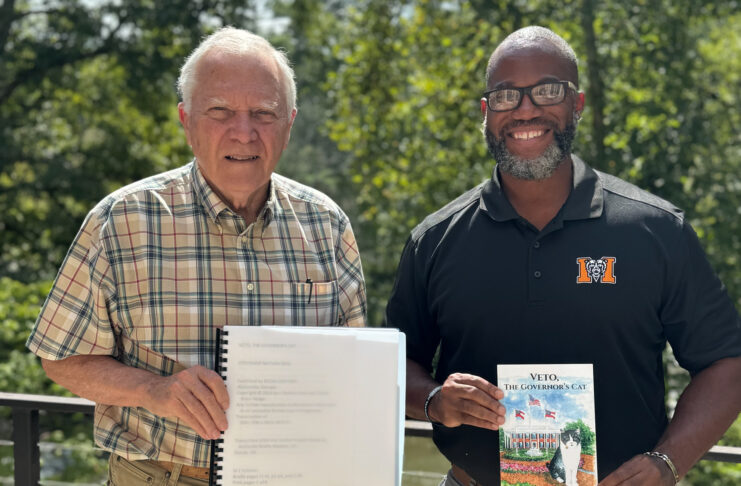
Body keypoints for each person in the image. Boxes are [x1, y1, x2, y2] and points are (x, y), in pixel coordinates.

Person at [385, 26, 741, 486]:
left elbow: (726, 362)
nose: (525, 109)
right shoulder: (435, 240)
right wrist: (434, 399)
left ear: (577, 103)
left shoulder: (655, 230)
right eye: (506, 95)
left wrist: (668, 462)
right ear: (486, 112)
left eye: (547, 91)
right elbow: (392, 365)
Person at [26, 27, 366, 485]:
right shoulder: (122, 219)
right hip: (159, 476)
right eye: (220, 111)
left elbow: (352, 370)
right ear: (186, 122)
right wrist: (154, 391)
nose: (243, 133)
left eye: (264, 113)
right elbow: (61, 358)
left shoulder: (327, 225)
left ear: (289, 123)